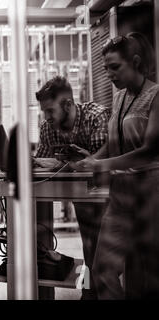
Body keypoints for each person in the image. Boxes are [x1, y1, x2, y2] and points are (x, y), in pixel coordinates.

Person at [73, 32, 159, 299]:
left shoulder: (155, 96)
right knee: (102, 270)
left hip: (150, 191)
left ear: (135, 62)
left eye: (115, 67)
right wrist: (91, 161)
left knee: (146, 274)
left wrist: (102, 166)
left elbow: (149, 151)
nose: (109, 74)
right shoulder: (120, 98)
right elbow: (113, 144)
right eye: (105, 68)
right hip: (120, 191)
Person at [34, 75, 111, 299]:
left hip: (108, 194)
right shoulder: (48, 128)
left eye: (50, 111)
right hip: (80, 196)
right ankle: (88, 291)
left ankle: (100, 291)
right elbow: (44, 163)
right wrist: (33, 163)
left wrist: (70, 163)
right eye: (44, 112)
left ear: (68, 104)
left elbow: (102, 162)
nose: (46, 117)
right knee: (88, 247)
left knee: (104, 250)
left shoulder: (96, 116)